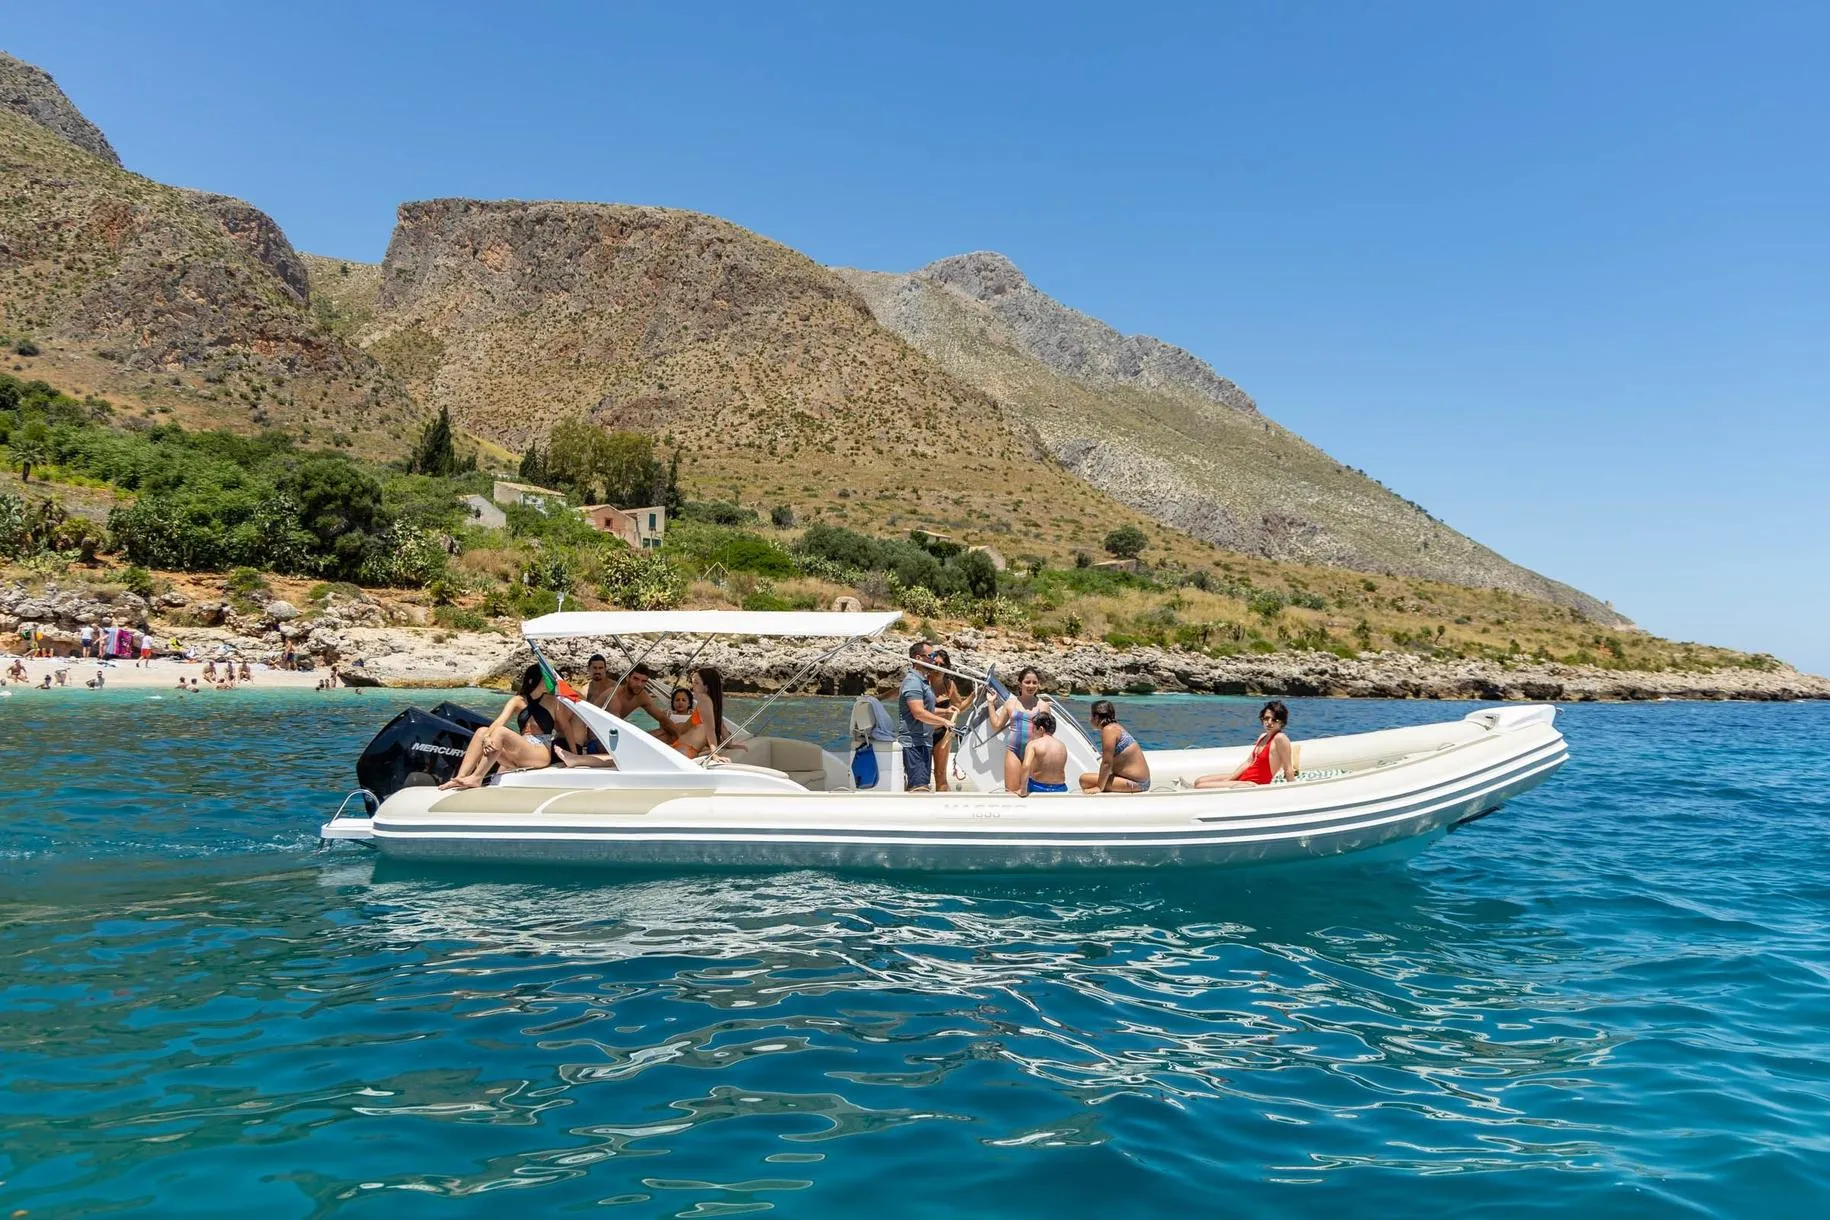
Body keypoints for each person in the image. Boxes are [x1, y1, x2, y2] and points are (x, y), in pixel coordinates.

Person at [441, 664, 564, 789]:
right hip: (520, 751)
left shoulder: (552, 701)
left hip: (540, 752)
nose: (547, 683)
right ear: (532, 680)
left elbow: (565, 728)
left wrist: (573, 753)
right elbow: (500, 720)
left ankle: (477, 777)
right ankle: (460, 777)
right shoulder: (518, 700)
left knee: (500, 732)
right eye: (544, 679)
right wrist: (486, 737)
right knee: (481, 732)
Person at [1195, 701, 1296, 789]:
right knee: (1199, 781)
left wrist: (1292, 791)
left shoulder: (1280, 738)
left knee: (1200, 786)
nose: (1269, 722)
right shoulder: (1262, 737)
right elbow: (1248, 763)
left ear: (1282, 723)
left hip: (1252, 784)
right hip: (1244, 777)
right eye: (1266, 718)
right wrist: (1229, 779)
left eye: (1274, 720)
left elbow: (1288, 768)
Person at [984, 667, 1051, 794]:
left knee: (1033, 793)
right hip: (1014, 751)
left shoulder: (1043, 706)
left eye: (1034, 682)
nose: (1031, 686)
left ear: (1038, 685)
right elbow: (997, 725)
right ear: (1020, 684)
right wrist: (990, 703)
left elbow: (1048, 736)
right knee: (1011, 792)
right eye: (1027, 682)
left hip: (1035, 754)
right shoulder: (1010, 704)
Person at [897, 643, 951, 791]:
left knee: (920, 787)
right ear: (918, 658)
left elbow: (926, 709)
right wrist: (944, 721)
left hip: (923, 742)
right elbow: (919, 713)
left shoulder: (922, 681)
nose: (934, 659)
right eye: (931, 656)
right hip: (915, 744)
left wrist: (945, 711)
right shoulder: (913, 682)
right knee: (919, 789)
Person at [587, 658, 679, 743]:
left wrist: (680, 736)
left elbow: (662, 718)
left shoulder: (641, 696)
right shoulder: (615, 696)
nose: (639, 684)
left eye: (643, 681)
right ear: (627, 678)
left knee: (670, 733)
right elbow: (615, 729)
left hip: (615, 736)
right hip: (598, 740)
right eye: (636, 679)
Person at [1078, 699, 1152, 793]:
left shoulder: (1109, 730)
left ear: (1096, 717)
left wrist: (1099, 787)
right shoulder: (1115, 727)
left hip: (1136, 783)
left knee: (1084, 780)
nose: (1090, 719)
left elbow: (1107, 763)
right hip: (1137, 781)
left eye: (1091, 715)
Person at [671, 667, 738, 762]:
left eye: (696, 683)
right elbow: (718, 727)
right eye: (692, 682)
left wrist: (715, 754)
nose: (692, 686)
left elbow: (712, 729)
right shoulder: (710, 701)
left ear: (707, 686)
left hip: (686, 748)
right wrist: (728, 746)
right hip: (686, 748)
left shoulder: (704, 699)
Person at [928, 647, 963, 792]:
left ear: (947, 667)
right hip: (923, 733)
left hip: (942, 734)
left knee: (940, 773)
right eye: (935, 664)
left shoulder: (949, 685)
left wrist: (975, 695)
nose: (938, 668)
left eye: (941, 665)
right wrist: (880, 698)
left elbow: (959, 706)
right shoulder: (923, 682)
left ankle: (944, 800)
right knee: (922, 774)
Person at [1018, 711, 1070, 795]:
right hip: (1060, 788)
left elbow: (1026, 766)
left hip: (1038, 787)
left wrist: (1023, 790)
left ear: (1041, 729)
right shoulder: (1062, 745)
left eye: (1034, 729)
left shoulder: (1033, 744)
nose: (1032, 732)